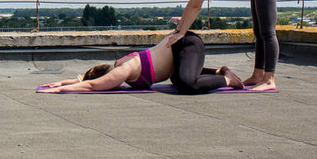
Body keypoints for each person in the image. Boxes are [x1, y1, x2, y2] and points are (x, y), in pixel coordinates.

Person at [168, 0, 278, 91]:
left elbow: (196, 7)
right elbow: (190, 4)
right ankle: (258, 75)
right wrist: (177, 31)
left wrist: (181, 33)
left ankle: (270, 80)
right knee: (258, 33)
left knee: (268, 32)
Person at [39, 31, 243, 94]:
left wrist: (58, 91)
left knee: (185, 84)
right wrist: (61, 82)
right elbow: (85, 79)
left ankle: (226, 79)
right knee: (176, 75)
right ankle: (217, 72)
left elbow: (91, 85)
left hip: (186, 45)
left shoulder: (123, 70)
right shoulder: (119, 67)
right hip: (177, 56)